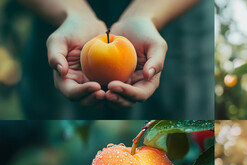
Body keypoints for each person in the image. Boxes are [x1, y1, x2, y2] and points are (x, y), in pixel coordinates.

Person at [19, 0, 214, 119]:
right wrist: (71, 12)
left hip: (176, 16)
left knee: (178, 116)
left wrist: (146, 14)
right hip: (55, 13)